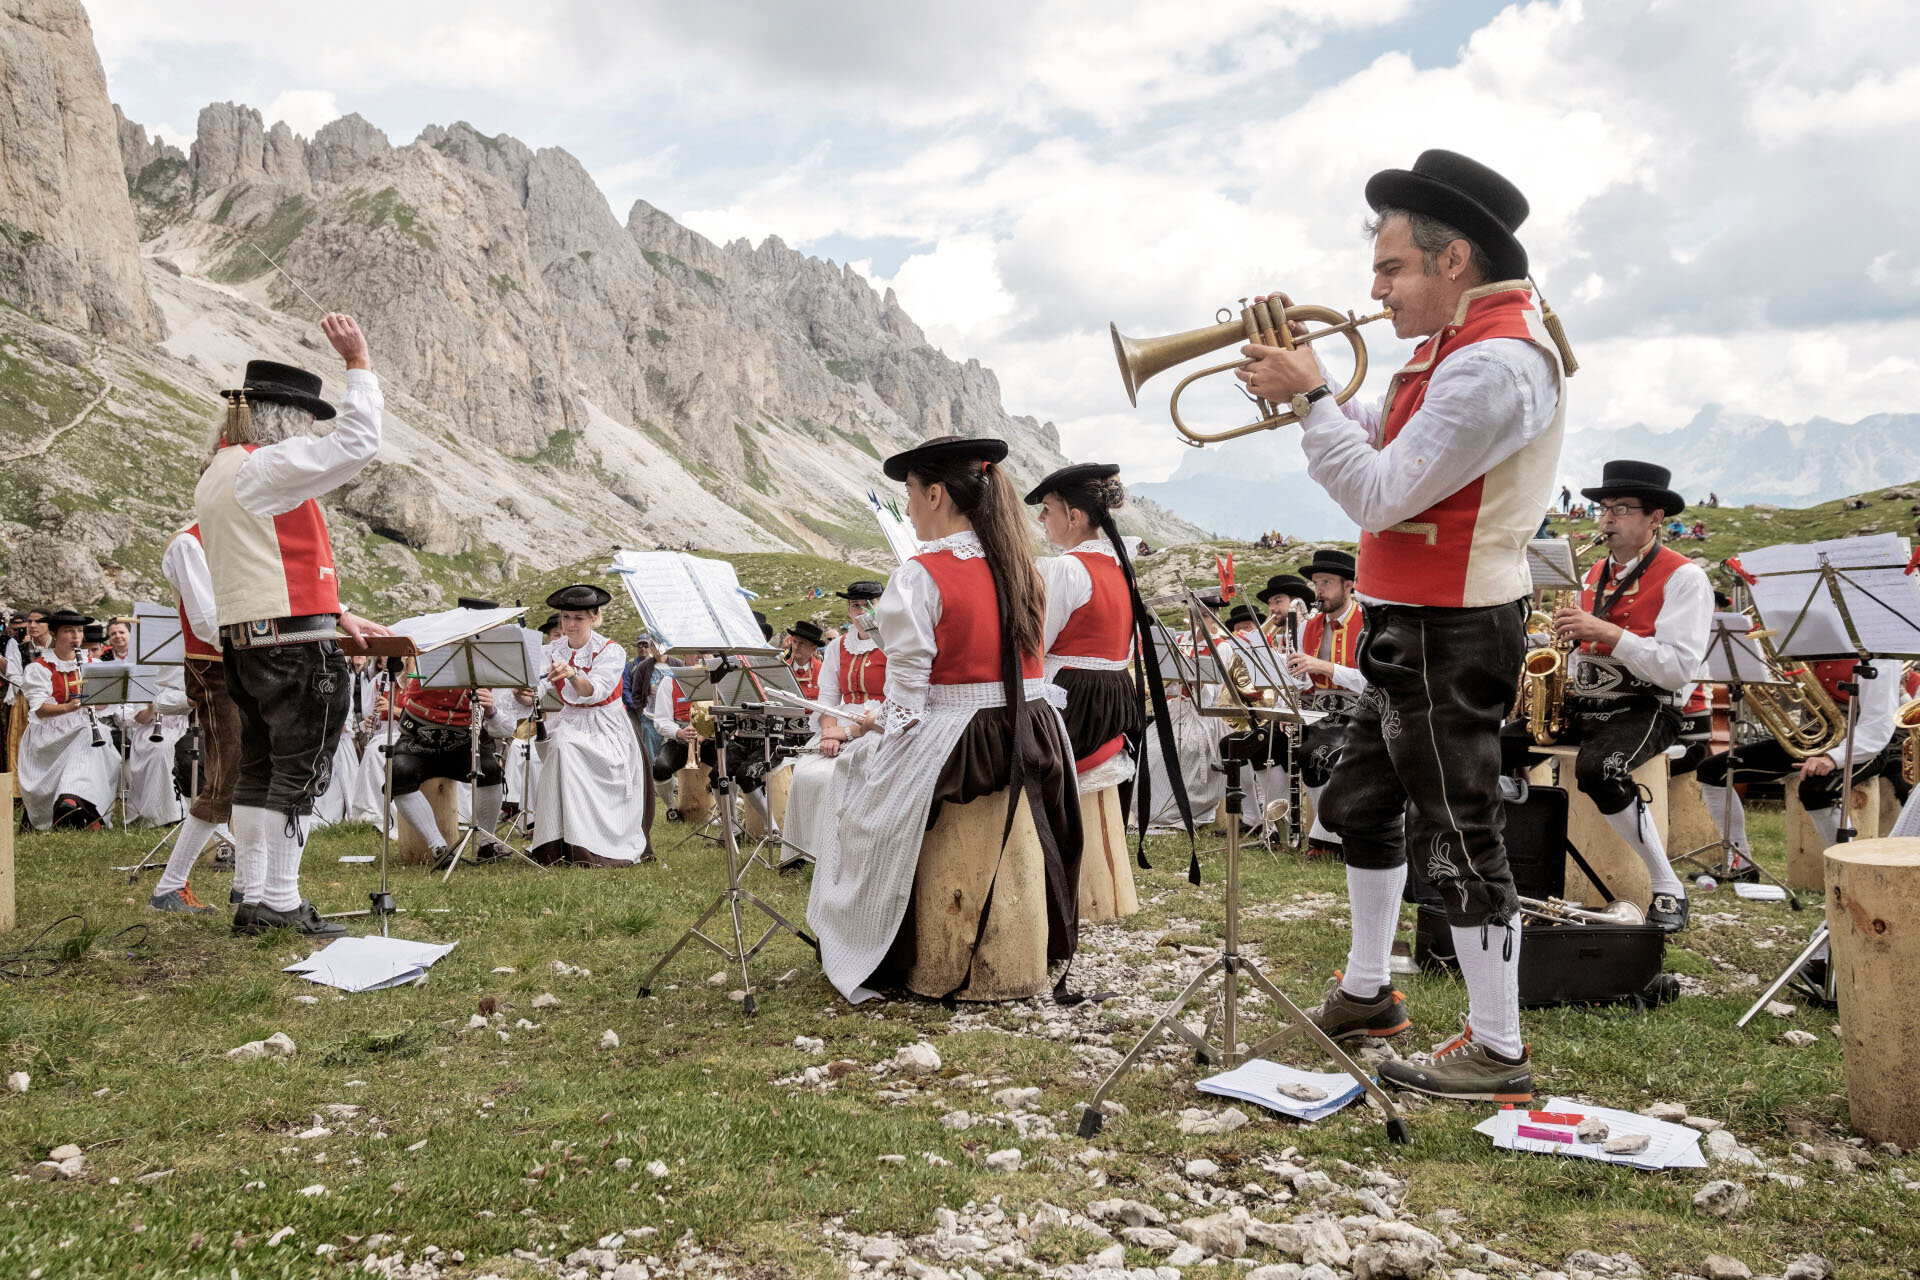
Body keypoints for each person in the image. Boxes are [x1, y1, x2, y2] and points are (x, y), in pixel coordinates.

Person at [1238, 149, 1568, 1102]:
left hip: (1453, 624)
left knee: (1460, 828)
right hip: (1408, 616)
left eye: (1390, 270)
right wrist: (1313, 392)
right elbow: (1383, 442)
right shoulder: (1451, 346)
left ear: (1453, 259)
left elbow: (1379, 494)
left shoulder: (1498, 365)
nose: (1372, 291)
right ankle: (1368, 991)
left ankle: (1499, 1047)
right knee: (1359, 807)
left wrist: (1307, 399)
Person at [809, 435, 1083, 1003]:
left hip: (964, 741)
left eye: (908, 494)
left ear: (935, 494)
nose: (906, 509)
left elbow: (908, 703)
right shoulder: (1026, 567)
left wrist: (866, 726)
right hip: (1035, 730)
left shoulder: (920, 575)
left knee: (853, 789)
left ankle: (892, 944)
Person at [193, 315, 390, 937]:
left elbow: (265, 564)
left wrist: (332, 610)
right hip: (293, 650)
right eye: (305, 419)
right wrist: (358, 362)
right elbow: (359, 441)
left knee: (258, 768)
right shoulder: (265, 467)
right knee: (300, 771)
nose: (310, 431)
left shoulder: (217, 474)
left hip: (246, 644)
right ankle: (281, 901)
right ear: (282, 418)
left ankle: (253, 894)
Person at [1499, 462, 1710, 931]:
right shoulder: (1593, 571)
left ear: (1655, 518)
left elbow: (1678, 669)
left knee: (1599, 768)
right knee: (1485, 749)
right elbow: (1578, 647)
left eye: (1620, 510)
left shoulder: (1685, 578)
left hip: (1649, 705)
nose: (1606, 520)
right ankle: (1512, 868)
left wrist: (1609, 633)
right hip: (1584, 703)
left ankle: (1666, 884)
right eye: (1602, 510)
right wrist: (1561, 648)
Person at [1029, 462, 1194, 861]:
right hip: (1114, 693)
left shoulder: (1067, 569)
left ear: (1074, 516)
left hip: (1071, 695)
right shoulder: (1119, 564)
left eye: (1047, 509)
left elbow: (1036, 644)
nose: (1040, 518)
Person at [1696, 628, 1906, 875]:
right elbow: (1790, 704)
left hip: (1861, 745)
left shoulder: (1876, 653)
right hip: (1811, 739)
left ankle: (1849, 874)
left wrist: (1832, 758)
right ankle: (1739, 863)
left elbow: (1878, 725)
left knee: (1816, 789)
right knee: (1712, 771)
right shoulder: (1807, 644)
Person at [378, 600, 517, 871]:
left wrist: (491, 710)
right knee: (398, 773)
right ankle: (438, 846)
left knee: (490, 769)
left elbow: (505, 729)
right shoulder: (433, 643)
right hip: (418, 739)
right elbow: (402, 678)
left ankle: (486, 842)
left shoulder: (493, 662)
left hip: (463, 742)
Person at [527, 584, 650, 865]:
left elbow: (591, 690)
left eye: (578, 619)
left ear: (594, 618)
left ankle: (591, 847)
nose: (570, 625)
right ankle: (555, 844)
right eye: (565, 618)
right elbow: (537, 687)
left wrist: (571, 674)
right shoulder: (552, 650)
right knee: (559, 748)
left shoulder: (611, 651)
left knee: (564, 746)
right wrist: (525, 691)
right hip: (571, 720)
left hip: (607, 724)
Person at [778, 581, 890, 866]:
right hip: (840, 718)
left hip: (879, 722)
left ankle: (838, 855)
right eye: (855, 605)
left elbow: (896, 700)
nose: (861, 610)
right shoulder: (840, 645)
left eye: (868, 604)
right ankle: (800, 852)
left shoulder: (893, 643)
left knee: (836, 775)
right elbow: (827, 697)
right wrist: (828, 731)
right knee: (805, 773)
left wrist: (847, 732)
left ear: (881, 606)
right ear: (848, 610)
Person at [1284, 550, 1369, 858]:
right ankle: (1278, 826)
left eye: (1327, 582)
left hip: (1360, 712)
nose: (1318, 590)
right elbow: (1304, 682)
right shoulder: (1310, 625)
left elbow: (1373, 681)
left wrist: (1324, 667)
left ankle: (1331, 836)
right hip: (1316, 710)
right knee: (1265, 742)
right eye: (1316, 582)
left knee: (1313, 751)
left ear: (1349, 585)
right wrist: (1293, 678)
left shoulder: (1368, 622)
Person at [18, 609, 116, 829]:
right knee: (86, 735)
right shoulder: (38, 669)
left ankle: (78, 802)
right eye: (69, 631)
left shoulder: (94, 665)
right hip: (49, 733)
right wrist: (70, 706)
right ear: (54, 633)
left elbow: (102, 705)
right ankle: (78, 806)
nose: (76, 637)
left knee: (97, 736)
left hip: (82, 727)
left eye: (80, 631)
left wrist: (97, 699)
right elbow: (41, 710)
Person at [785, 620, 827, 699]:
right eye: (795, 641)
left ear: (814, 648)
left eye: (802, 643)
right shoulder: (782, 669)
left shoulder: (823, 671)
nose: (796, 646)